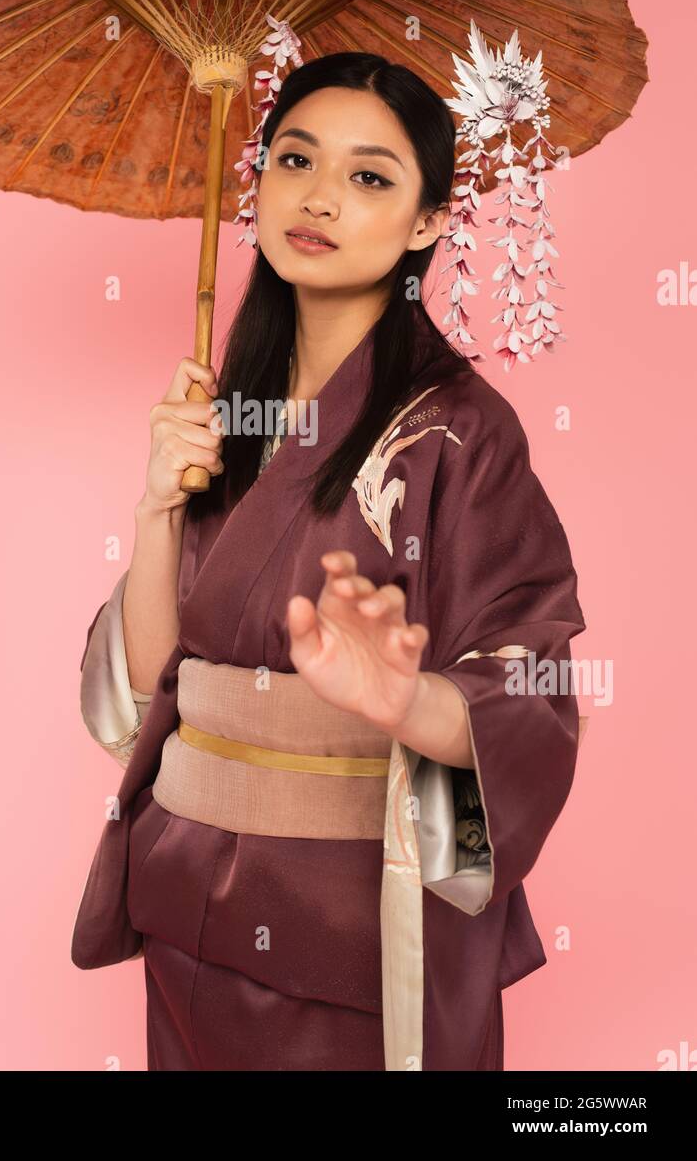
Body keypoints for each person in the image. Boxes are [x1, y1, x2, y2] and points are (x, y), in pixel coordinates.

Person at [71, 52, 587, 1071]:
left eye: (369, 176)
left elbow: (532, 683)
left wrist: (412, 704)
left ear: (432, 220)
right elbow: (141, 699)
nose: (317, 196)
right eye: (294, 158)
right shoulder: (226, 413)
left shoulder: (459, 431)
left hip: (349, 918)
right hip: (183, 898)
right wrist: (155, 512)